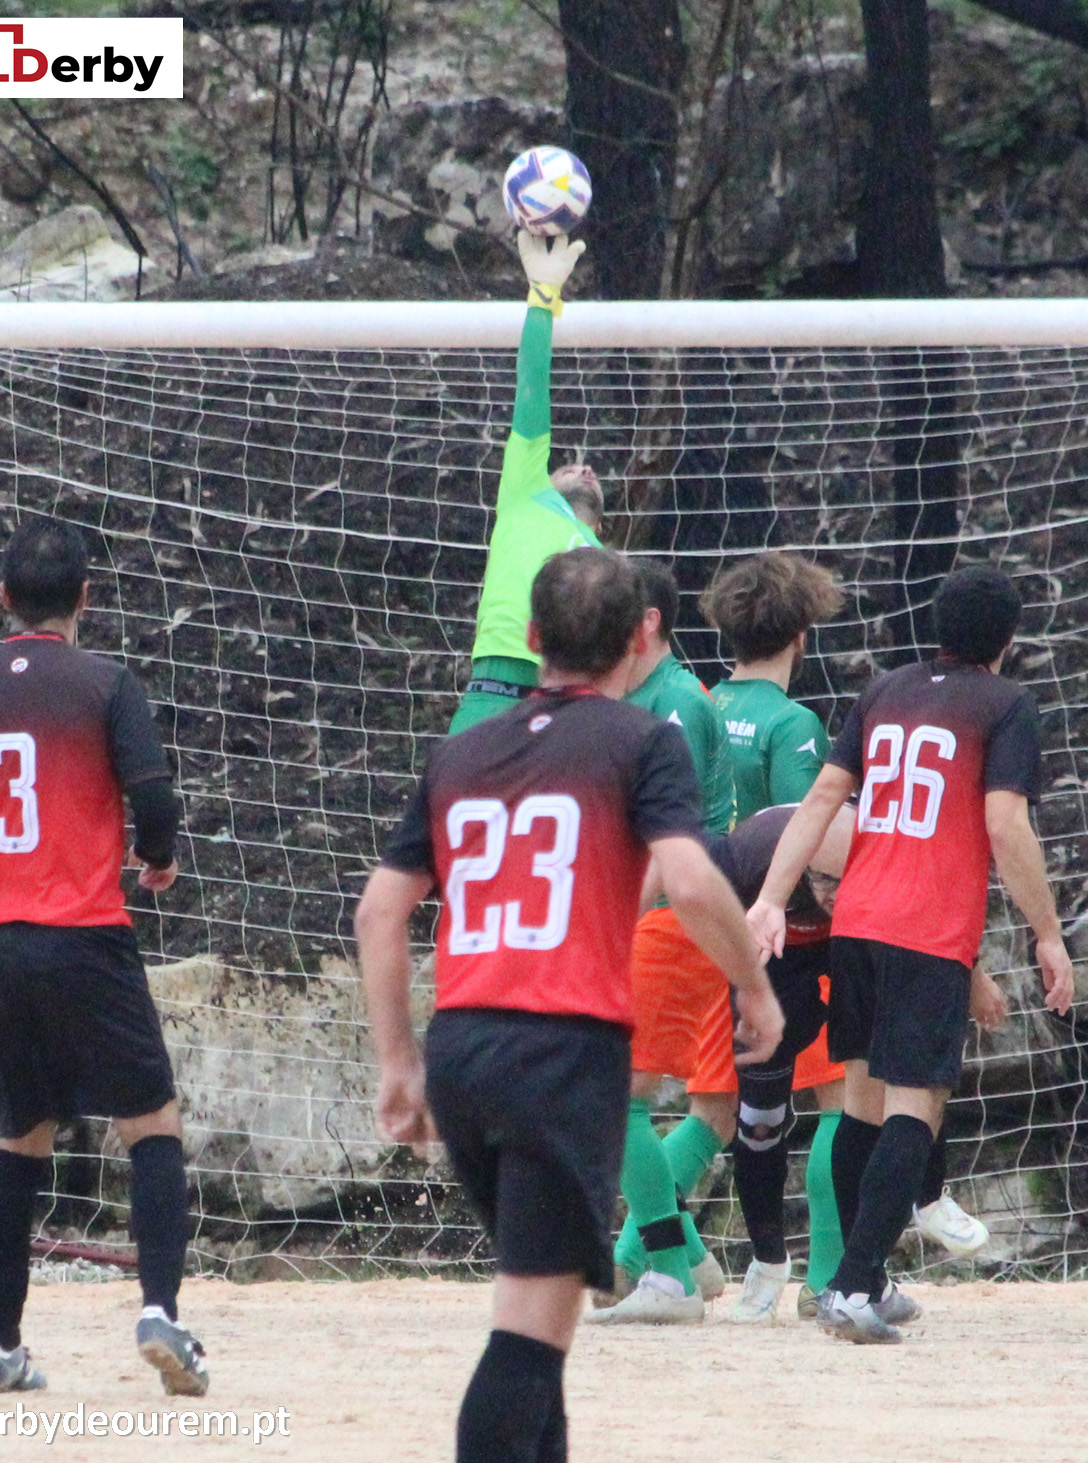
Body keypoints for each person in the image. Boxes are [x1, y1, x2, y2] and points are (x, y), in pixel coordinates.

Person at [359, 546, 780, 1463]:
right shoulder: (642, 742)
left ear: (533, 638)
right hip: (562, 1052)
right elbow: (691, 879)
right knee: (525, 1336)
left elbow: (380, 910)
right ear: (641, 638)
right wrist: (754, 986)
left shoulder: (461, 751)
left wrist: (399, 1062)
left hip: (465, 1046)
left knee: (541, 1325)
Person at [0, 516, 202, 1397]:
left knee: (20, 1138)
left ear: (2, 599)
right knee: (151, 1121)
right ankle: (161, 1311)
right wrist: (158, 855)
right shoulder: (106, 683)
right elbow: (153, 792)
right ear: (85, 600)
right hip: (86, 930)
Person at [747, 565, 1075, 1343]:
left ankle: (857, 1277)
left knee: (862, 1102)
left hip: (856, 920)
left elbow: (822, 799)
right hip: (927, 932)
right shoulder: (1006, 704)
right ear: (1007, 639)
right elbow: (1005, 824)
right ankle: (854, 1288)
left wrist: (769, 893)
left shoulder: (885, 690)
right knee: (916, 1109)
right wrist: (1048, 932)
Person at [707, 798, 1010, 1325]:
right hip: (773, 948)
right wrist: (750, 990)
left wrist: (976, 976)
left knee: (898, 1067)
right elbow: (712, 924)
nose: (833, 893)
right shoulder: (741, 864)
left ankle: (921, 1207)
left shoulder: (873, 842)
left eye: (843, 876)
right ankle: (767, 1260)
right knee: (759, 1114)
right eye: (823, 880)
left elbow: (931, 902)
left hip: (865, 935)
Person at [700, 551, 853, 1320]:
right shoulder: (794, 725)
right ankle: (825, 1277)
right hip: (792, 933)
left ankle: (749, 1261)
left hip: (718, 924)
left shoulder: (700, 704)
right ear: (800, 635)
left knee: (748, 1113)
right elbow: (808, 835)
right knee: (837, 1099)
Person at [591, 559, 737, 1323]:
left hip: (671, 913)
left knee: (617, 1092)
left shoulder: (676, 700)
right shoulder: (637, 692)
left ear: (646, 620)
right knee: (619, 1093)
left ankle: (671, 1272)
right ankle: (673, 1258)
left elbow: (671, 837)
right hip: (647, 910)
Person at [450, 231, 604, 734]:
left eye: (591, 472)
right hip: (492, 695)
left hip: (569, 711)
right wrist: (543, 296)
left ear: (604, 520)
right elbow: (533, 383)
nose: (582, 468)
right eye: (567, 465)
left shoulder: (603, 563)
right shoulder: (524, 492)